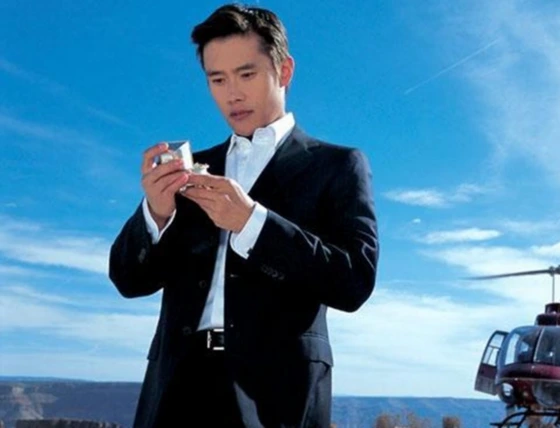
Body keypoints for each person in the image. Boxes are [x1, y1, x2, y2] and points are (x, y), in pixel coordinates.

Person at [108, 4, 379, 427]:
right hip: (176, 387)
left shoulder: (338, 166)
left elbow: (354, 281)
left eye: (246, 74)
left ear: (284, 71)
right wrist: (156, 214)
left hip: (276, 395)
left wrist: (252, 222)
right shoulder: (193, 167)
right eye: (217, 79)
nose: (231, 93)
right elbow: (128, 280)